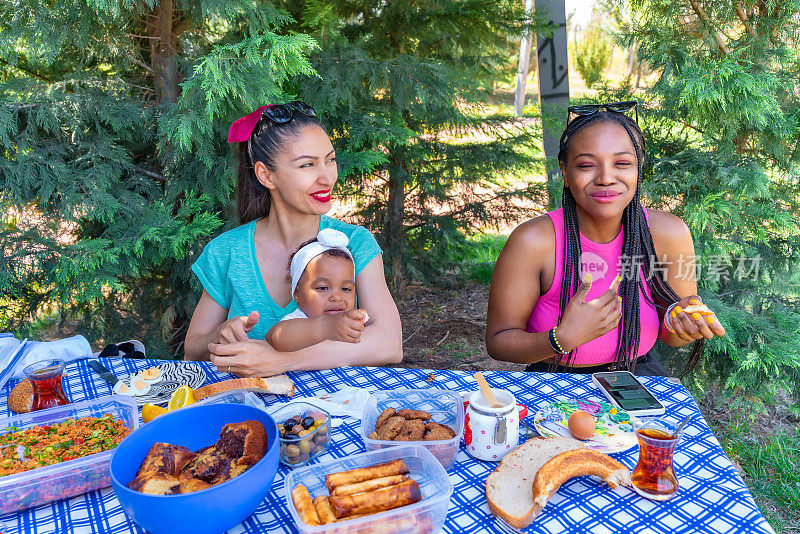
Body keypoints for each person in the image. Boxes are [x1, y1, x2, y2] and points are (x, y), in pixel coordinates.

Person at [486, 101, 725, 376]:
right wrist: (560, 339)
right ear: (565, 172)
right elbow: (499, 342)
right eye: (587, 165)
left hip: (635, 377)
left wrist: (683, 325)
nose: (606, 178)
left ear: (639, 167)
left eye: (622, 163)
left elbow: (671, 335)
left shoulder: (668, 234)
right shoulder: (534, 241)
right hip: (554, 377)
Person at [184, 101, 402, 375]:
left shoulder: (356, 243)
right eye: (307, 165)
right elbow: (192, 350)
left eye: (330, 160)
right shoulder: (226, 251)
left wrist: (281, 361)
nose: (327, 177)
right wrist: (220, 334)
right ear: (266, 175)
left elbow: (390, 343)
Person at [265, 229, 369, 352]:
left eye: (346, 289)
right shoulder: (298, 320)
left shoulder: (348, 323)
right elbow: (275, 337)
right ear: (297, 293)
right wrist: (325, 327)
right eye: (323, 288)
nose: (337, 297)